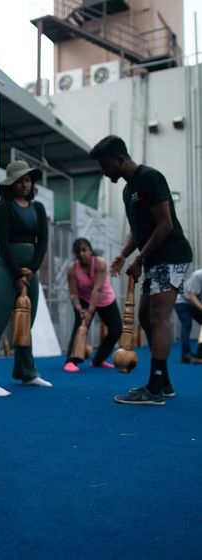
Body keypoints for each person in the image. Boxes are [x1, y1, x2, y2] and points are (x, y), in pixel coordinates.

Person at [90, 135, 192, 406]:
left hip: (171, 254)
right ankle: (164, 382)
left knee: (158, 317)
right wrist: (123, 256)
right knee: (146, 317)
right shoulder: (127, 190)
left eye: (105, 165)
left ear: (119, 159)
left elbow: (165, 225)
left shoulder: (149, 178)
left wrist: (139, 259)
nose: (103, 172)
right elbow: (137, 230)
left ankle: (156, 389)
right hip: (154, 259)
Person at [0, 160, 53, 397]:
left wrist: (31, 270)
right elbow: (5, 244)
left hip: (30, 271)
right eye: (20, 181)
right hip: (5, 269)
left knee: (26, 323)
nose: (25, 185)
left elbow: (43, 242)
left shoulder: (38, 209)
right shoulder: (2, 207)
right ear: (11, 184)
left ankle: (27, 373)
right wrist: (18, 274)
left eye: (28, 180)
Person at [64, 238, 122, 373]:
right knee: (80, 326)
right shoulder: (72, 269)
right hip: (83, 299)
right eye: (78, 252)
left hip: (104, 298)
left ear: (90, 250)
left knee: (116, 329)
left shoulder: (100, 263)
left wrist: (90, 312)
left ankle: (98, 360)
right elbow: (73, 294)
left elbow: (97, 289)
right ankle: (71, 361)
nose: (82, 254)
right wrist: (80, 309)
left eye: (84, 250)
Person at [175, 268, 202, 363]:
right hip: (182, 302)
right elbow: (191, 295)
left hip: (195, 303)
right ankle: (186, 355)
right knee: (187, 324)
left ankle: (200, 353)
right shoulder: (197, 275)